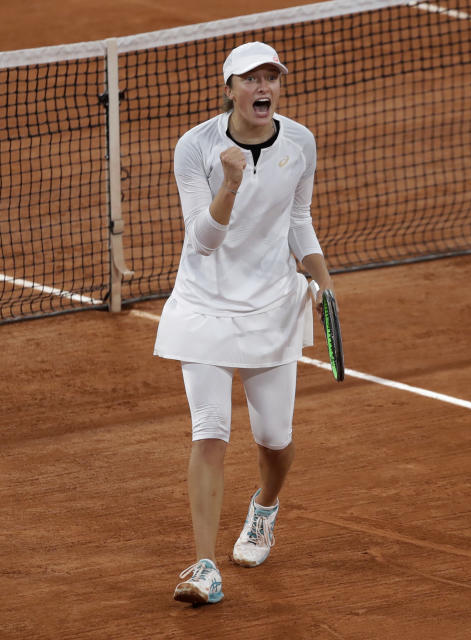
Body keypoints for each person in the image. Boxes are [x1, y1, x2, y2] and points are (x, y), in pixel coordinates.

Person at [154, 41, 335, 606]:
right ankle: (205, 566)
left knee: (274, 440)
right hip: (203, 306)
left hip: (272, 308)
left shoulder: (300, 141)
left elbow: (298, 219)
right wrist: (229, 183)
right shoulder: (196, 147)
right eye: (251, 79)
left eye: (271, 78)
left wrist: (322, 277)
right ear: (228, 88)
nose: (264, 87)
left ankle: (264, 509)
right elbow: (202, 241)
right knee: (209, 431)